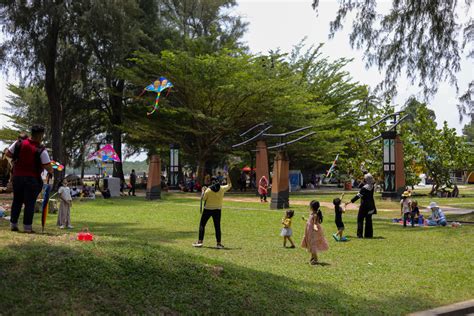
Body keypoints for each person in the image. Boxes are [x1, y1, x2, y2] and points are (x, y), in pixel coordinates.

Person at [5, 125, 53, 233]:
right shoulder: (41, 149)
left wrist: (16, 161)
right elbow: (47, 165)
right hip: (32, 179)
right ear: (41, 135)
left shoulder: (19, 143)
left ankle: (13, 225)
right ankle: (27, 227)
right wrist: (51, 171)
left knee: (17, 200)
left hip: (17, 177)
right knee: (30, 203)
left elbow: (8, 153)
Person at [193, 174, 232, 249]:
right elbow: (229, 185)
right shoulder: (221, 188)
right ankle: (218, 243)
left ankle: (200, 242)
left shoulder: (208, 190)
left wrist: (203, 191)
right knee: (217, 226)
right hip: (217, 210)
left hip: (208, 209)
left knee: (202, 224)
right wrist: (228, 176)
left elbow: (203, 199)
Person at [345, 173, 377, 238]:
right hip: (371, 205)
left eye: (364, 179)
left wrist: (350, 201)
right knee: (369, 220)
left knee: (360, 219)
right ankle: (368, 235)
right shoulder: (372, 186)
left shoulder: (364, 188)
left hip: (364, 205)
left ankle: (360, 235)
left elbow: (358, 196)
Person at [301, 200, 329, 265]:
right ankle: (312, 257)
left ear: (312, 207)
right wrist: (305, 219)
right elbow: (310, 222)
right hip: (309, 231)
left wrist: (315, 230)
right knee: (310, 244)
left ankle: (315, 259)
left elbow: (315, 224)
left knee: (313, 244)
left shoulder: (315, 215)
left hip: (313, 232)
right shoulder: (312, 214)